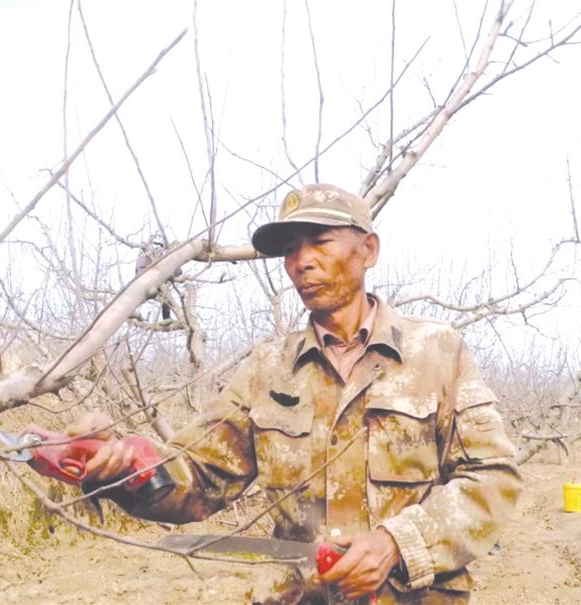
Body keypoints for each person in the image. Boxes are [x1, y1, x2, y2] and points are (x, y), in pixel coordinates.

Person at [68, 184, 522, 604]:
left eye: (319, 242)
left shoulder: (436, 352)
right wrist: (128, 466)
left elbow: (493, 478)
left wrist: (396, 544)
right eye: (290, 249)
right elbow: (200, 477)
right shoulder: (267, 369)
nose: (301, 261)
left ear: (368, 249)